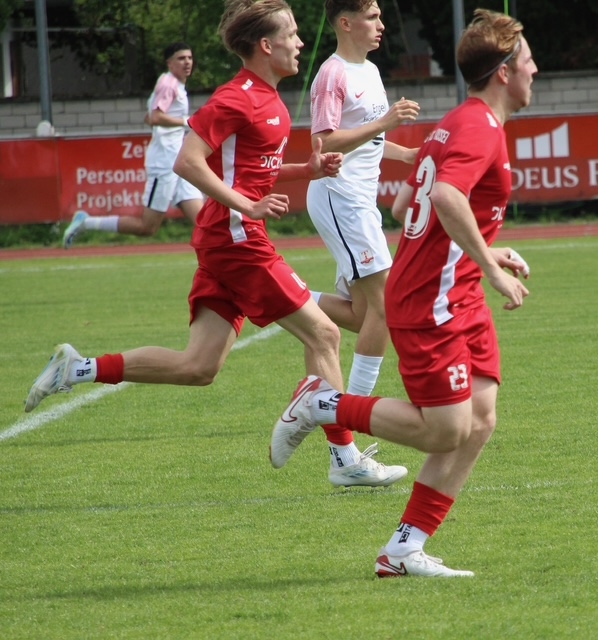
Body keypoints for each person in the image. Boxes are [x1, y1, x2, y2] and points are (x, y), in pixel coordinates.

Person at [25, 0, 407, 490]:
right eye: (291, 34)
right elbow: (188, 161)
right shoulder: (237, 97)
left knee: (198, 367)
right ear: (266, 46)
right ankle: (344, 457)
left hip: (224, 237)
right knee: (325, 335)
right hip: (236, 239)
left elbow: (252, 169)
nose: (299, 43)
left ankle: (76, 369)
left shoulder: (269, 100)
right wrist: (247, 206)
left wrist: (305, 170)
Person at [271, 8, 536, 576]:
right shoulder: (478, 127)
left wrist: (484, 253)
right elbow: (444, 197)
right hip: (434, 299)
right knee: (445, 429)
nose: (535, 70)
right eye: (529, 61)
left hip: (459, 293)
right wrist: (489, 264)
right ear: (505, 72)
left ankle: (402, 550)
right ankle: (321, 403)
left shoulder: (460, 122)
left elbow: (403, 204)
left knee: (480, 419)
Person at [304, 0, 419, 475]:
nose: (381, 25)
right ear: (346, 23)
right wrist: (387, 122)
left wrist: (406, 155)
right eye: (372, 17)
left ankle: (276, 296)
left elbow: (365, 136)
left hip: (358, 201)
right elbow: (324, 142)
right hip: (340, 197)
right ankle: (350, 425)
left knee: (363, 314)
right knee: (387, 306)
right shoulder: (332, 74)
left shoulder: (369, 70)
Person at [62, 42, 204, 248]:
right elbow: (155, 117)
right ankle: (86, 222)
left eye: (189, 58)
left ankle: (224, 261)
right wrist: (188, 122)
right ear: (170, 63)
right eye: (181, 58)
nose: (187, 62)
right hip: (165, 164)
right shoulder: (169, 84)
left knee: (203, 222)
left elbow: (149, 117)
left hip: (180, 162)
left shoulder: (174, 85)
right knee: (147, 227)